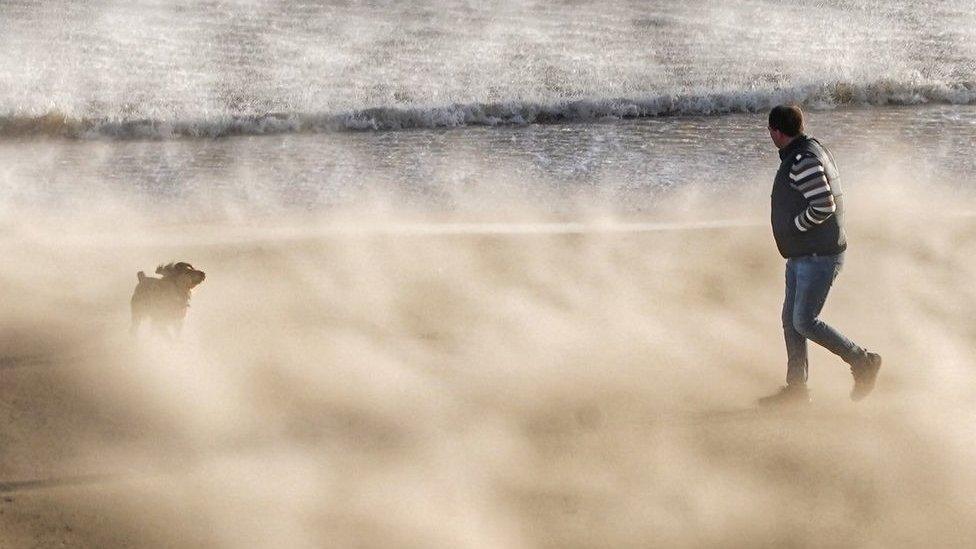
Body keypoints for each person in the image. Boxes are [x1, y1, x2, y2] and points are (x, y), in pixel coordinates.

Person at [759, 105, 881, 406]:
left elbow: (824, 205)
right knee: (791, 320)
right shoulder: (806, 151)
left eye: (770, 131)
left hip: (818, 255)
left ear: (776, 131)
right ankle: (797, 390)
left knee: (804, 320)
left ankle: (862, 360)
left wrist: (795, 227)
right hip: (804, 254)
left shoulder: (802, 160)